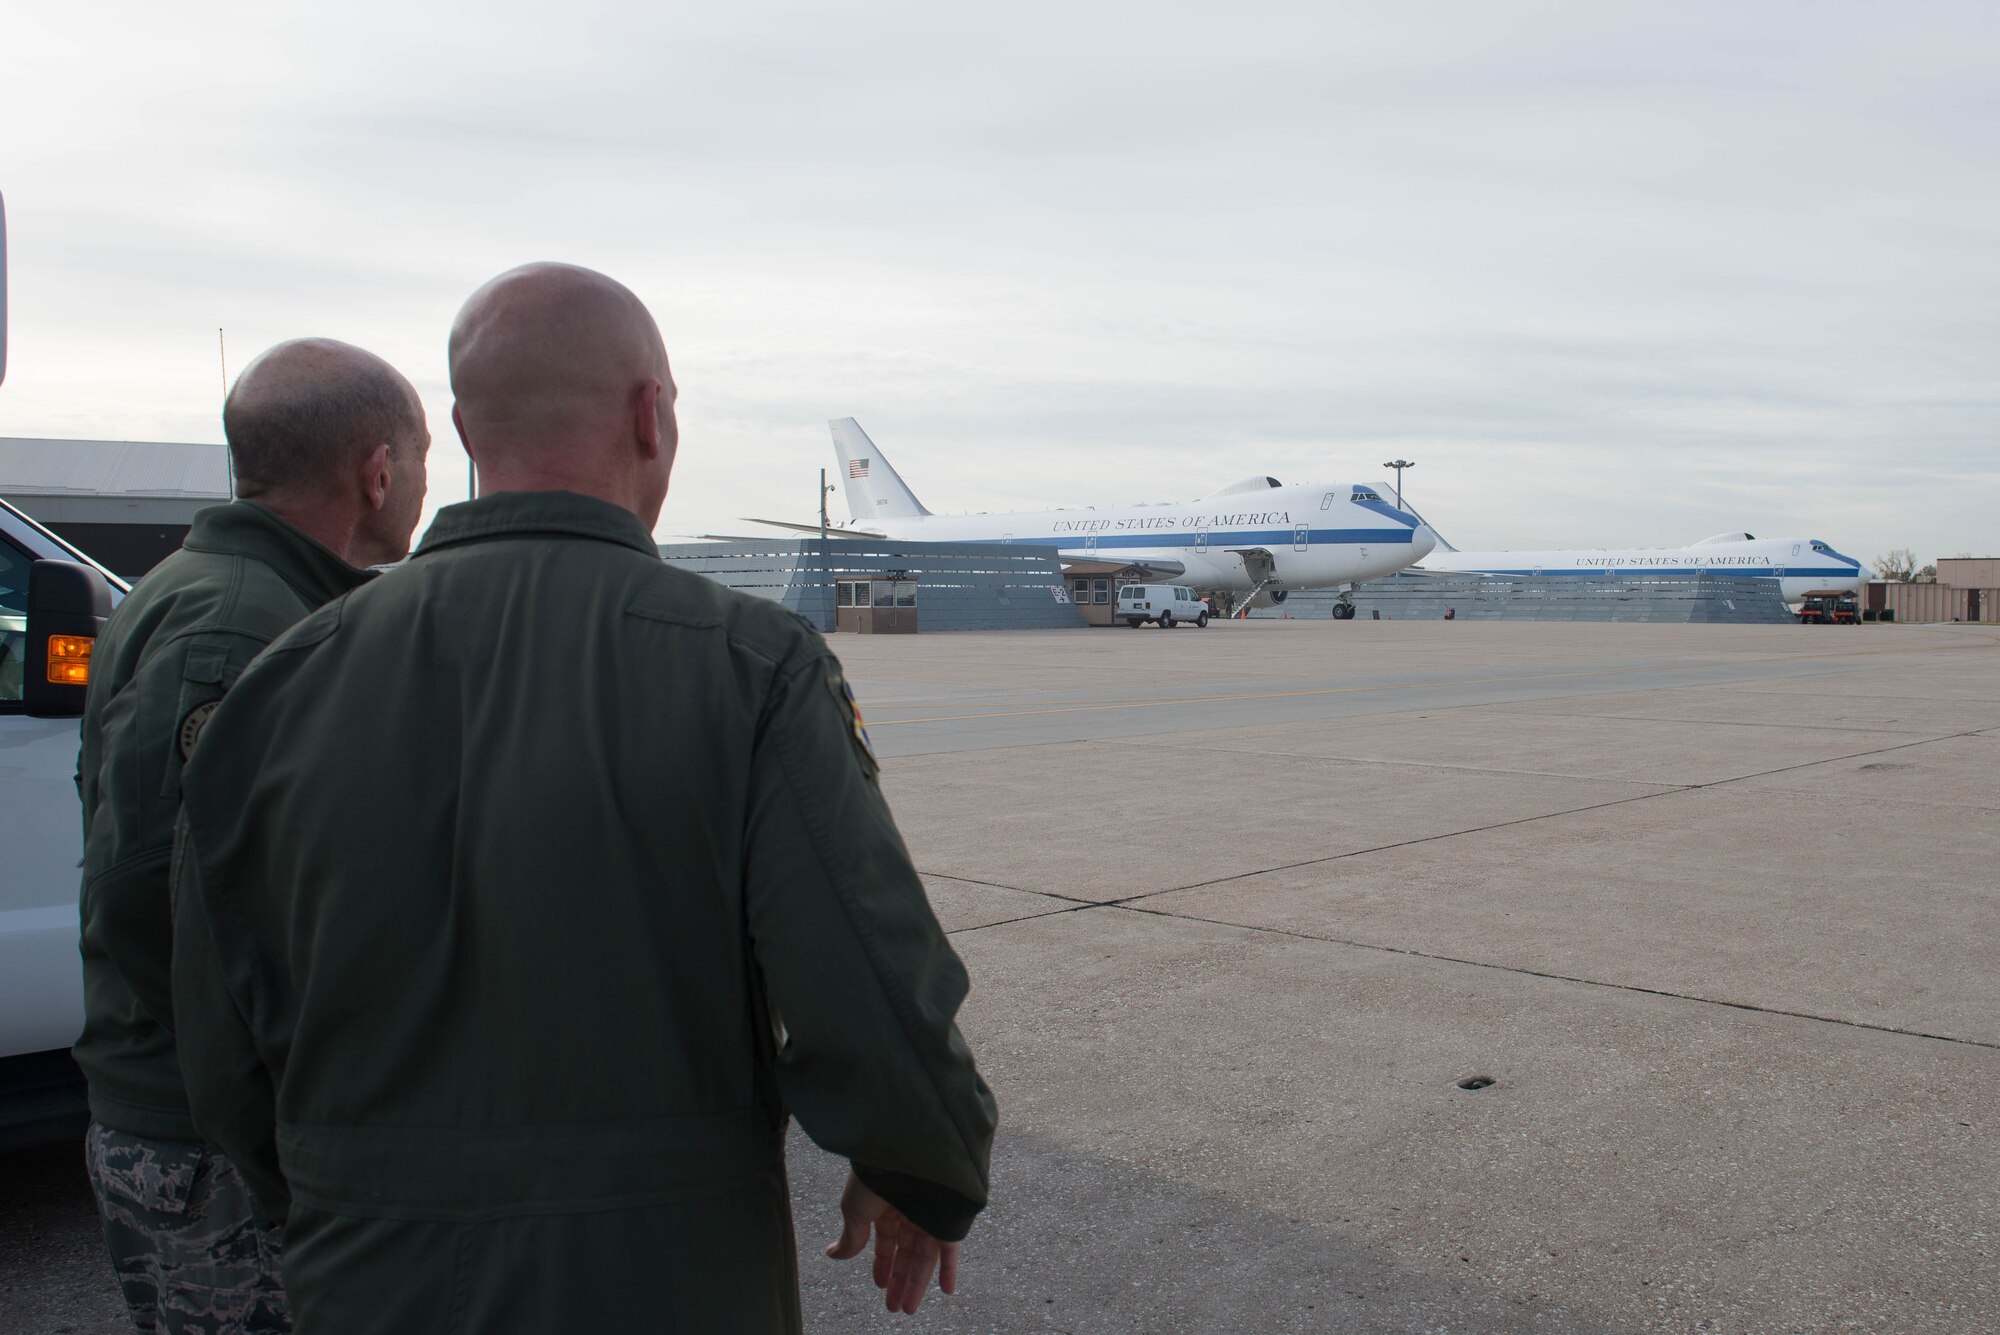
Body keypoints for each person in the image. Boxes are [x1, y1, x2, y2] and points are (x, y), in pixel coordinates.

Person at [170, 262, 997, 1334]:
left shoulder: (278, 681)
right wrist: (923, 1164)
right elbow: (865, 976)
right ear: (649, 418)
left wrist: (351, 1195)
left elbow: (218, 1027)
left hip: (364, 1271)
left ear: (465, 430)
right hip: (663, 1279)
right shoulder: (744, 666)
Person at [74, 337, 431, 1333]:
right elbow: (149, 886)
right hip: (214, 1141)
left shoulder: (231, 592)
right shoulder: (239, 626)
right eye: (421, 461)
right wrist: (255, 1094)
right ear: (377, 470)